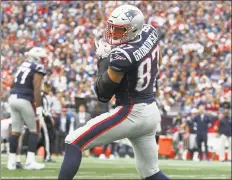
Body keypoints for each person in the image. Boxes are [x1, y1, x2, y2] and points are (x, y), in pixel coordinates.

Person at [58, 4, 170, 180]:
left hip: (131, 112)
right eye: (111, 27)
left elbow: (103, 94)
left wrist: (102, 61)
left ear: (133, 30)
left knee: (74, 141)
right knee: (151, 173)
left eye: (119, 30)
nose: (112, 33)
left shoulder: (122, 56)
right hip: (151, 110)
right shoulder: (149, 32)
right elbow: (158, 61)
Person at [7, 47, 48, 170]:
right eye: (42, 58)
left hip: (13, 98)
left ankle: (11, 162)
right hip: (25, 99)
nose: (44, 60)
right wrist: (39, 107)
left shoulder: (23, 65)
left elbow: (13, 84)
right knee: (34, 130)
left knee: (15, 131)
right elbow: (37, 89)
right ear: (37, 58)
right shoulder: (37, 67)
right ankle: (30, 161)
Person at [38, 80, 56, 162]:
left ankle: (47, 154)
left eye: (49, 87)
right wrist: (49, 117)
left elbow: (47, 109)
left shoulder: (46, 96)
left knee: (50, 137)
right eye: (47, 87)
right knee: (47, 137)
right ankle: (47, 156)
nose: (49, 89)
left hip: (47, 118)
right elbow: (43, 110)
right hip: (44, 118)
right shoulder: (42, 96)